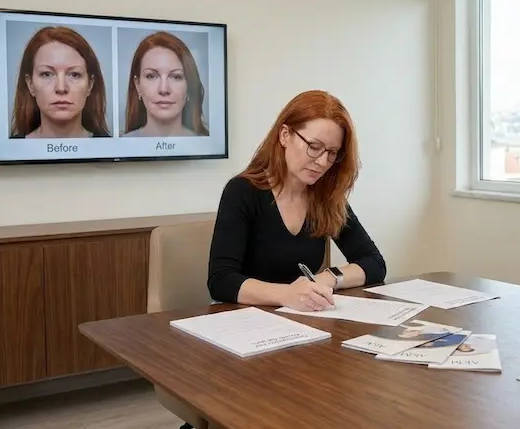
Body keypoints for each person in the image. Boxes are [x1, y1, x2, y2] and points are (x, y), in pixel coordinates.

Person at [207, 89, 387, 312]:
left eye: (332, 153)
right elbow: (221, 281)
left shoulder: (326, 195)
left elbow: (374, 263)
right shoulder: (242, 191)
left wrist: (328, 278)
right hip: (245, 319)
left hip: (301, 319)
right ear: (285, 135)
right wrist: (287, 294)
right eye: (314, 147)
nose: (323, 162)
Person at [10, 26, 110, 138]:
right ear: (30, 84)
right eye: (46, 74)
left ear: (90, 85)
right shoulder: (9, 148)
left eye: (74, 74)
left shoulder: (111, 146)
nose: (61, 88)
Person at [122, 31, 209, 137]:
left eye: (176, 77)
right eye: (151, 76)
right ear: (137, 85)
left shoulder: (208, 144)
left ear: (189, 86)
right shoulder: (119, 145)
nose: (163, 89)